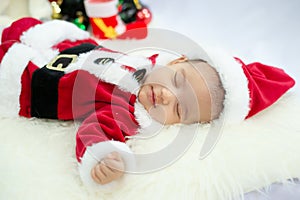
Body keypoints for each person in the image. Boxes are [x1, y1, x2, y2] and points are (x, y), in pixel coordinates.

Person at [0, 17, 295, 188]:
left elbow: (96, 128)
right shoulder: (147, 61)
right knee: (26, 24)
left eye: (180, 109)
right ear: (177, 60)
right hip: (59, 46)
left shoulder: (129, 113)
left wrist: (105, 156)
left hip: (28, 81)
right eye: (178, 81)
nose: (167, 96)